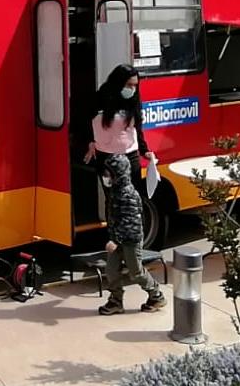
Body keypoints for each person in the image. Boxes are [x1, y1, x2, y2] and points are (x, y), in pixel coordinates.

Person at [98, 153, 165, 315]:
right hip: (119, 239)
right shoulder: (115, 190)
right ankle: (115, 301)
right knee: (112, 269)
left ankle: (156, 296)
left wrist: (116, 241)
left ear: (117, 174)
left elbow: (131, 224)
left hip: (131, 240)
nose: (106, 176)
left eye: (109, 173)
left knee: (135, 273)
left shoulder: (128, 195)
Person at [83, 64, 154, 200]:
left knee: (132, 199)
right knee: (112, 200)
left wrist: (144, 150)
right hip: (107, 158)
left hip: (130, 156)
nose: (132, 89)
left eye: (135, 85)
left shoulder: (134, 100)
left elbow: (137, 128)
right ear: (118, 83)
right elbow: (86, 121)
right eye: (128, 85)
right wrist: (90, 142)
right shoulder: (100, 98)